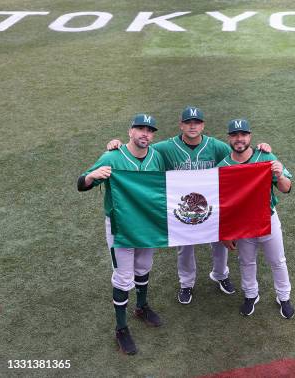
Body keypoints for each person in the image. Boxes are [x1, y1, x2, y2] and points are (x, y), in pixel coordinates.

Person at [106, 106, 272, 305]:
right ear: (181, 125)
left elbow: (241, 152)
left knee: (219, 240)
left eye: (197, 122)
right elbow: (142, 148)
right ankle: (186, 283)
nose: (192, 126)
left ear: (203, 125)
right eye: (188, 123)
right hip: (182, 206)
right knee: (184, 245)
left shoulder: (217, 146)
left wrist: (262, 148)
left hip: (211, 204)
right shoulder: (166, 147)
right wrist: (118, 144)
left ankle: (220, 274)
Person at [78, 113, 165, 355]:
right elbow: (81, 183)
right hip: (121, 227)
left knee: (144, 267)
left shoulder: (156, 156)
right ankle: (121, 328)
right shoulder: (112, 156)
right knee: (124, 277)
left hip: (147, 224)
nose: (144, 133)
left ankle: (142, 306)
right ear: (130, 131)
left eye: (149, 130)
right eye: (140, 128)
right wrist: (92, 176)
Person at [218, 119, 295, 319]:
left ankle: (284, 297)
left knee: (278, 261)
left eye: (243, 135)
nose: (239, 139)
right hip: (243, 224)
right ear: (229, 138)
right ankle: (251, 295)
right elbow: (222, 204)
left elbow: (286, 188)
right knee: (246, 262)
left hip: (268, 218)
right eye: (234, 135)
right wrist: (226, 233)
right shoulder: (222, 166)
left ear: (250, 136)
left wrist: (279, 175)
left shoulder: (266, 156)